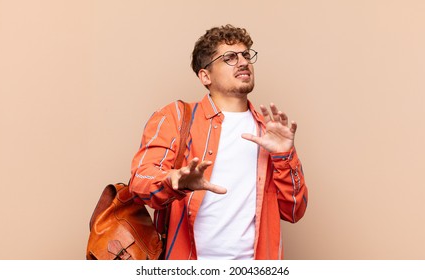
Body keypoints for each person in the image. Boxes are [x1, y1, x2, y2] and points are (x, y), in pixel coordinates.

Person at [129, 24, 308, 260]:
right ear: (205, 76)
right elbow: (139, 182)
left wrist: (285, 156)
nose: (243, 62)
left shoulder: (268, 132)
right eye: (230, 57)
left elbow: (294, 211)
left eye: (246, 55)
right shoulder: (175, 117)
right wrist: (174, 180)